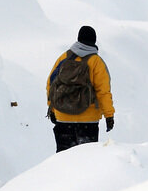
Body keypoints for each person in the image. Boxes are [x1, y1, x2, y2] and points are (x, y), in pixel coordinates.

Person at [46, 25, 115, 153]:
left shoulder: (64, 57)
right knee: (86, 159)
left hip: (63, 117)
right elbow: (103, 92)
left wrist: (52, 108)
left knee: (63, 159)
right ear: (94, 41)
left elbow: (51, 84)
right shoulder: (96, 62)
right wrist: (109, 115)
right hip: (88, 120)